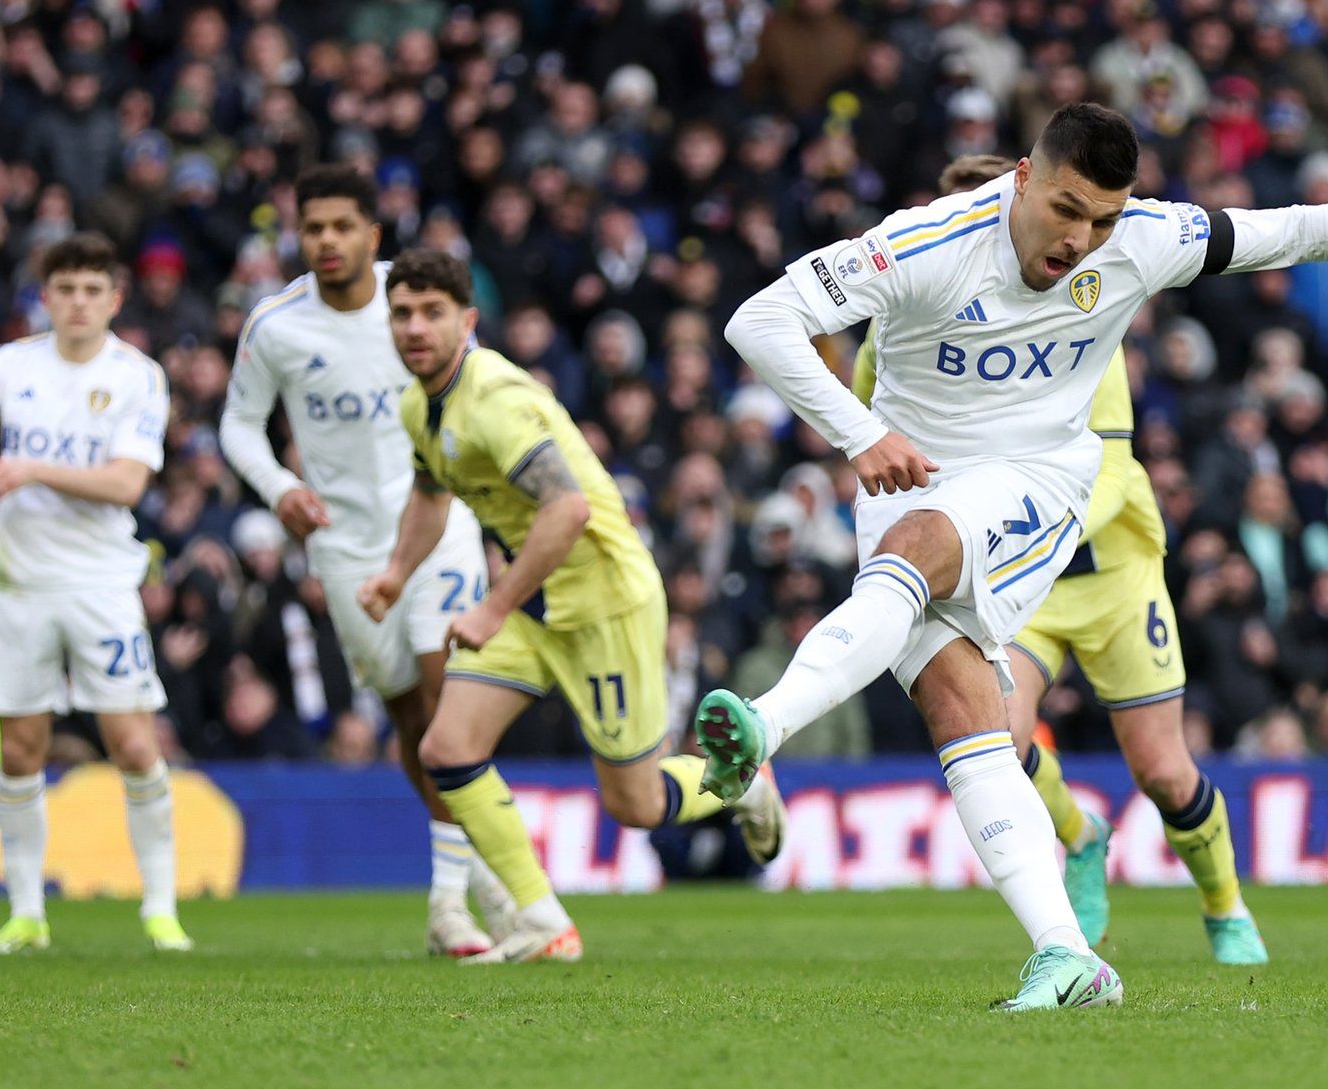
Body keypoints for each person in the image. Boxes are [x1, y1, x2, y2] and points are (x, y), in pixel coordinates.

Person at [700, 101, 1328, 1009]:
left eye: (1102, 217)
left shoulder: (1144, 238)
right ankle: (1067, 955)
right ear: (1023, 177)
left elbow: (1293, 230)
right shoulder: (926, 242)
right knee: (965, 715)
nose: (1083, 239)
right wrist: (858, 434)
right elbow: (759, 321)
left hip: (1038, 479)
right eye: (1066, 209)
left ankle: (763, 726)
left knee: (926, 554)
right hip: (909, 485)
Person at [862, 153, 1268, 965]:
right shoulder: (898, 327)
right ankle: (1081, 837)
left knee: (1163, 769)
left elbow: (1112, 471)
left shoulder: (1079, 323)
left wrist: (1010, 519)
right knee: (995, 736)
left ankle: (1225, 905)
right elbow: (864, 427)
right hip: (1020, 581)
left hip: (1109, 573)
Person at [358, 250, 785, 964]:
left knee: (637, 805)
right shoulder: (417, 406)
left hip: (603, 604)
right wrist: (398, 574)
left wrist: (492, 607)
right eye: (401, 312)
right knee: (446, 748)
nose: (414, 327)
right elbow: (432, 494)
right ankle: (541, 922)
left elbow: (567, 509)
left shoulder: (495, 399)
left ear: (466, 321)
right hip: (536, 604)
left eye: (431, 312)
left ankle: (744, 783)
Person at [218, 165, 515, 957]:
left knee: (445, 697)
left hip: (439, 519)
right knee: (413, 725)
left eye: (342, 226)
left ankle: (448, 908)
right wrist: (279, 487)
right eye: (312, 227)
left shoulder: (416, 304)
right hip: (344, 546)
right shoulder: (275, 325)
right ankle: (485, 876)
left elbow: (473, 394)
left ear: (371, 235)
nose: (326, 241)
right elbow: (238, 427)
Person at [0, 232, 190, 953]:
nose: (78, 303)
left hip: (101, 583)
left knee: (130, 741)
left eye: (93, 290)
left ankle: (161, 908)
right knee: (20, 748)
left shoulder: (138, 376)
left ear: (115, 299)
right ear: (46, 297)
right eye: (65, 290)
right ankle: (27, 914)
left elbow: (128, 483)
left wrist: (29, 470)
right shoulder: (8, 366)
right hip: (19, 585)